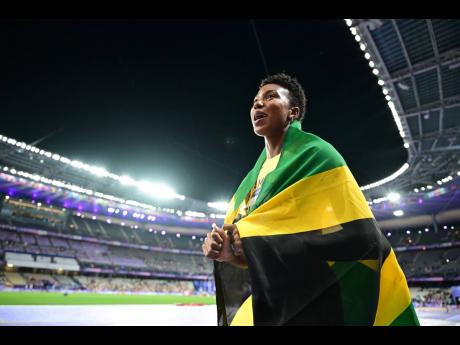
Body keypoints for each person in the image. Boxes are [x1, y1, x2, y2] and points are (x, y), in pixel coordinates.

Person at [202, 73, 420, 326]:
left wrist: (253, 238)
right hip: (273, 303)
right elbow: (260, 254)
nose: (258, 104)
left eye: (270, 96)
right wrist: (230, 254)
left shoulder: (318, 156)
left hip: (316, 302)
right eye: (255, 101)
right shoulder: (250, 184)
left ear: (292, 112)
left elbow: (359, 237)